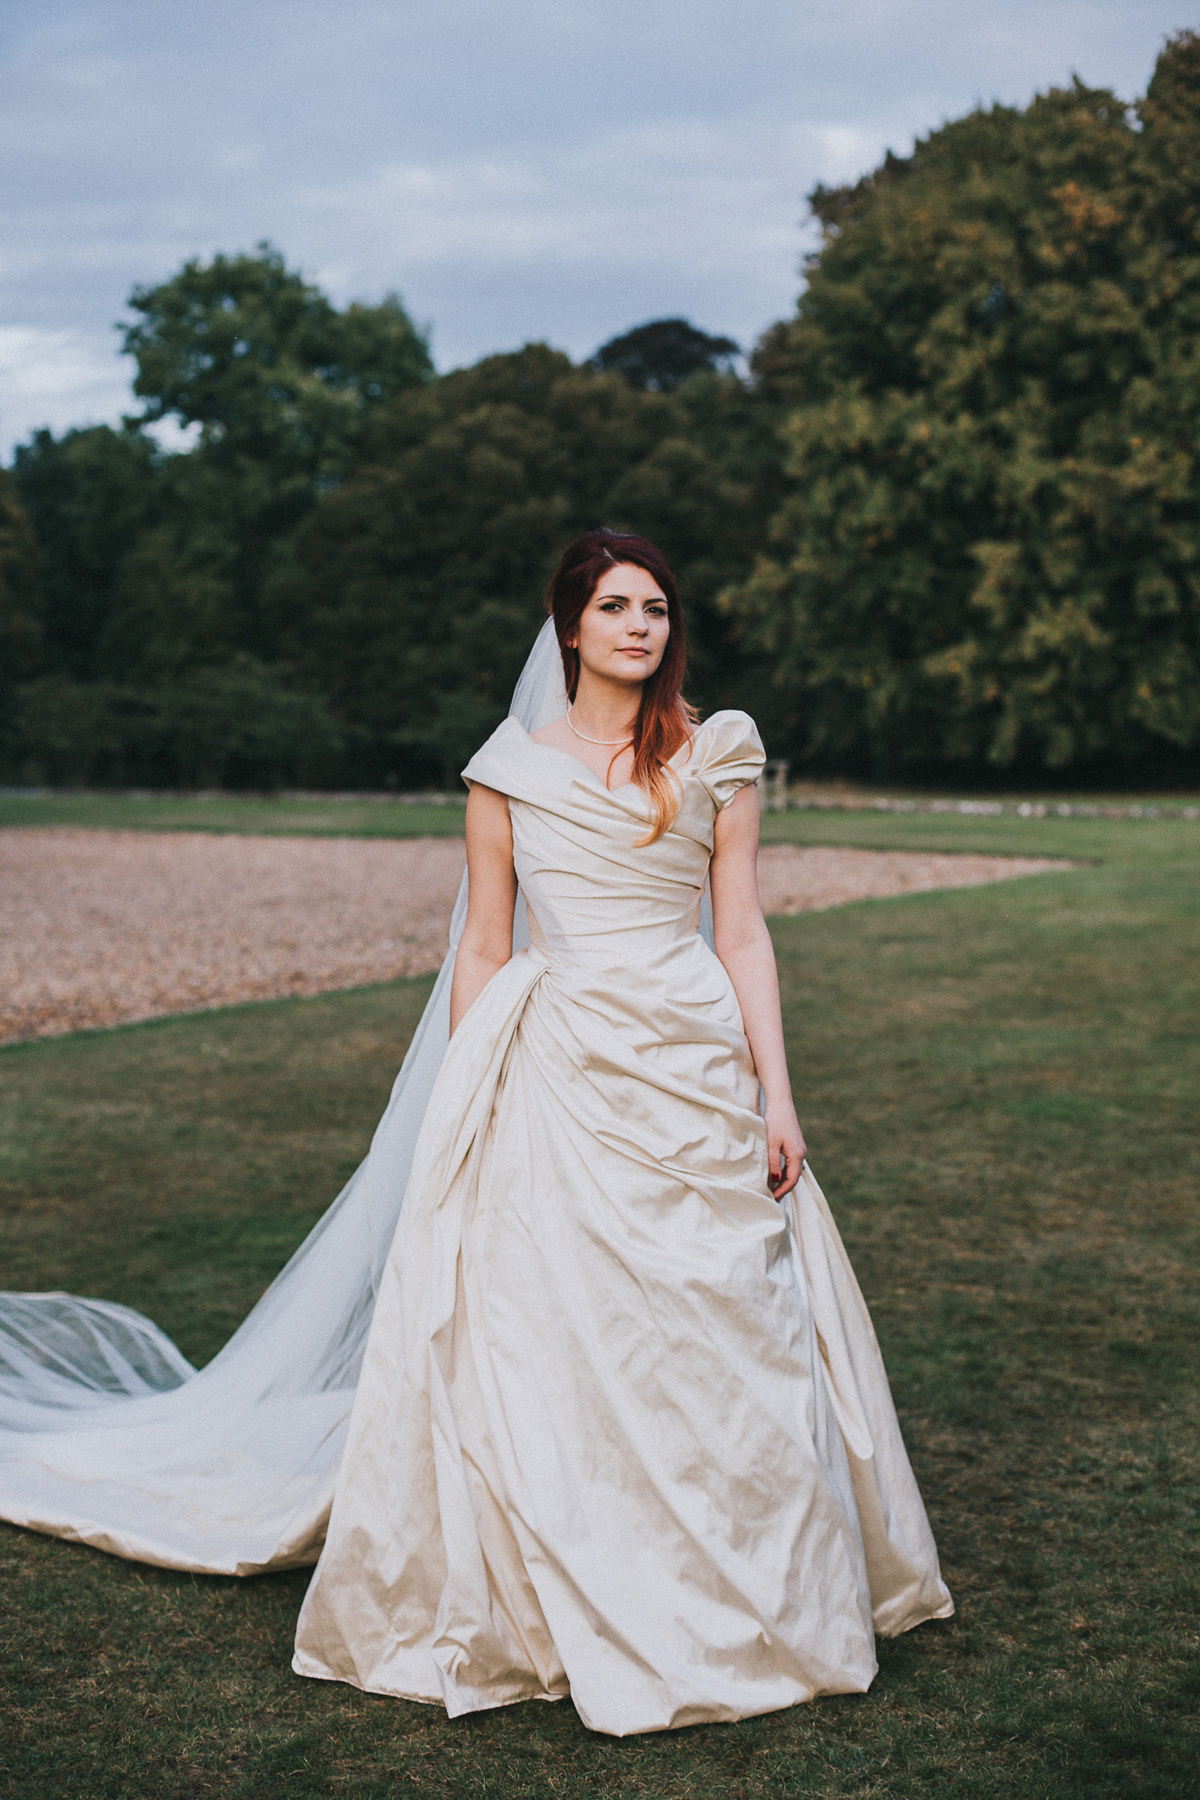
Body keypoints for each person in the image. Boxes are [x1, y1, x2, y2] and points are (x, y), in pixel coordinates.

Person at [290, 529, 952, 1734]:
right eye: (614, 607)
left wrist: (778, 1094)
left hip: (692, 1060)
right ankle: (559, 1578)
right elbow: (486, 944)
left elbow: (740, 930)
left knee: (726, 1314)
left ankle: (747, 1585)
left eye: (655, 607)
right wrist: (464, 1088)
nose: (641, 626)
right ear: (571, 629)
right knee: (548, 1324)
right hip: (557, 1058)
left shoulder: (715, 752)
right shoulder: (506, 770)